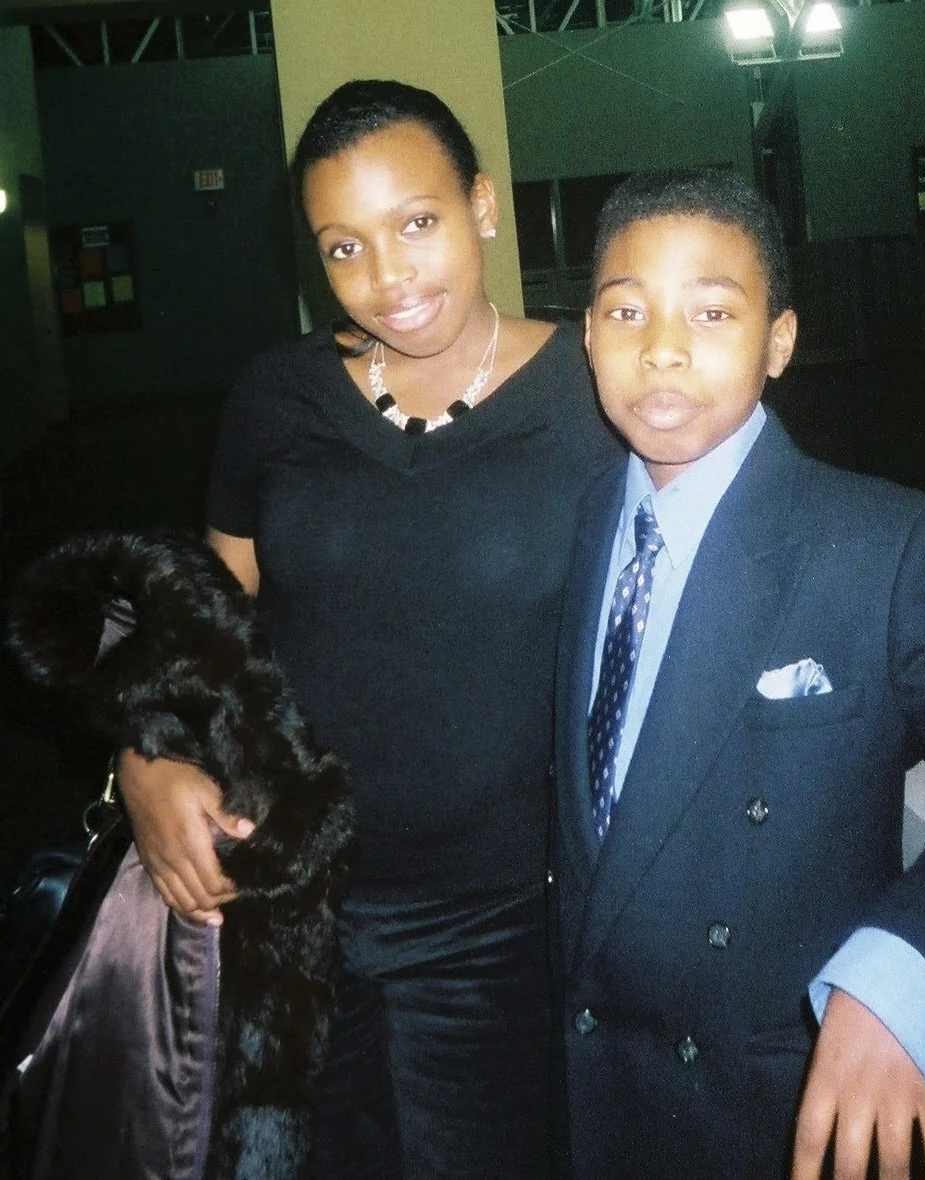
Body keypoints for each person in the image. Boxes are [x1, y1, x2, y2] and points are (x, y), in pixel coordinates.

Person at [552, 167, 925, 1179]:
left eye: (713, 310)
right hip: (584, 1107)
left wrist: (906, 976)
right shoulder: (583, 520)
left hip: (771, 1119)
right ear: (588, 335)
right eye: (626, 310)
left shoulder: (880, 547)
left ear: (780, 340)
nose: (664, 346)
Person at [117, 79, 620, 1178]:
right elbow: (211, 608)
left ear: (484, 205)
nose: (387, 278)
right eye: (343, 247)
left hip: (502, 920)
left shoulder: (597, 392)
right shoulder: (278, 396)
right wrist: (145, 755)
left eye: (418, 224)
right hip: (285, 904)